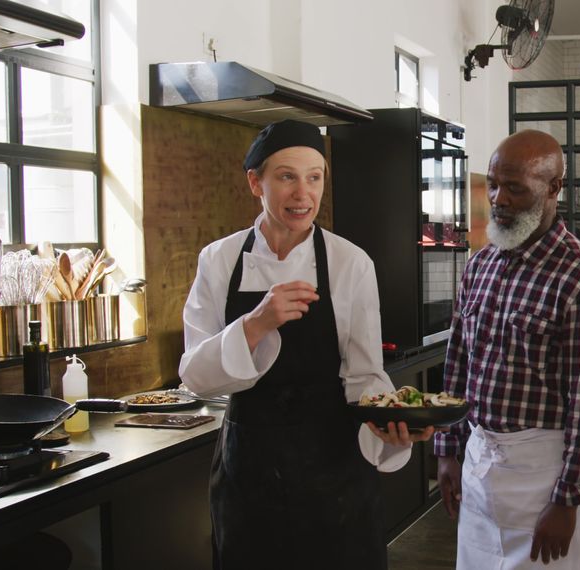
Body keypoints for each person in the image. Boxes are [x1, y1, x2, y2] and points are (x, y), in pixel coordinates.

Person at [178, 119, 431, 569]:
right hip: (247, 478)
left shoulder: (349, 262)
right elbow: (195, 376)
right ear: (255, 182)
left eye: (314, 178)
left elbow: (365, 374)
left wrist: (393, 423)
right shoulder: (219, 260)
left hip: (334, 477)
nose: (303, 193)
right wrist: (256, 323)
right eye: (287, 177)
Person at [434, 129, 580, 568]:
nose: (498, 198)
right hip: (481, 466)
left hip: (546, 480)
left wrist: (569, 500)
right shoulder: (481, 265)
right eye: (494, 185)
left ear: (554, 188)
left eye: (515, 188)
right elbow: (458, 366)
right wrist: (447, 449)